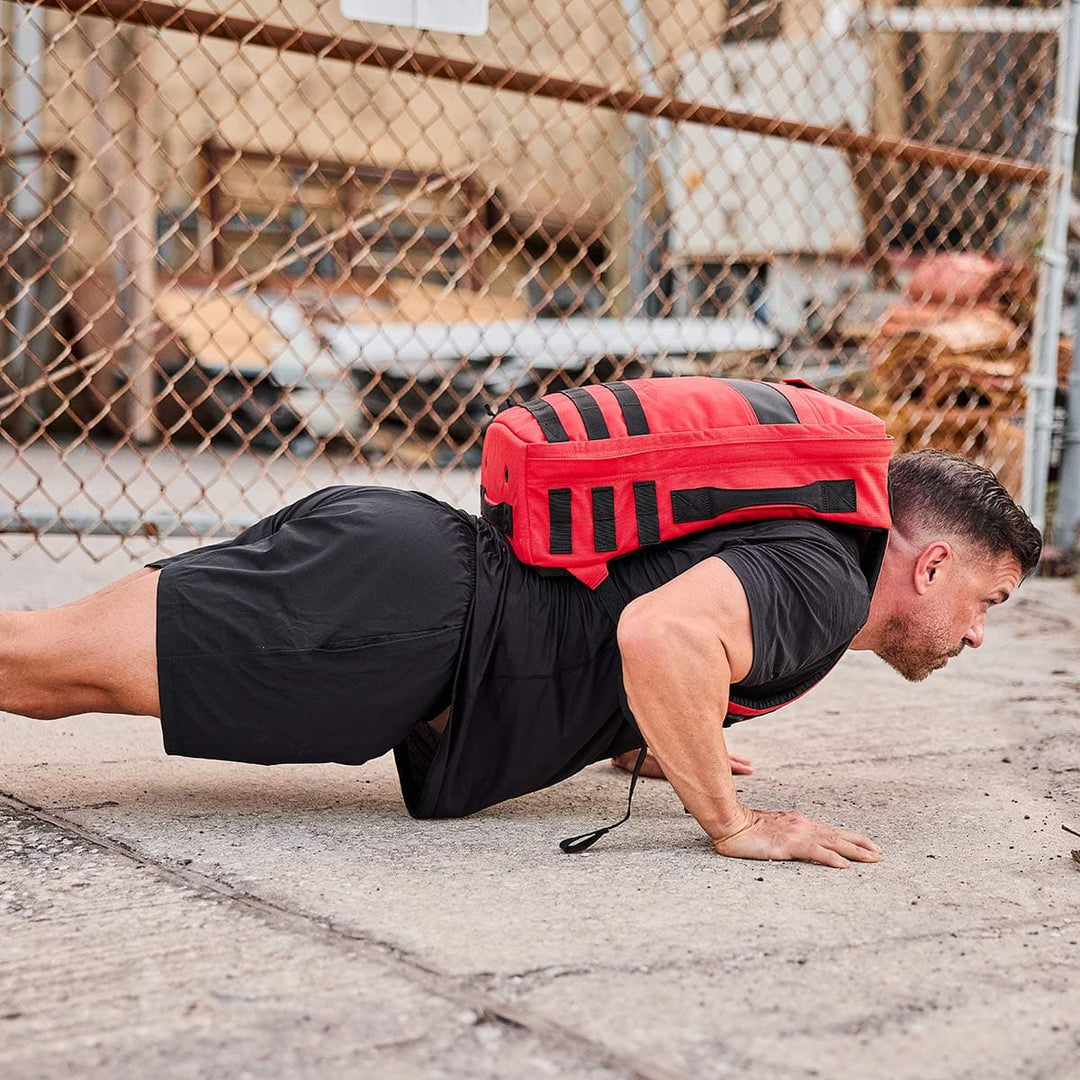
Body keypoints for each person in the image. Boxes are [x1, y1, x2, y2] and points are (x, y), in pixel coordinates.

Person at [0, 449, 1040, 868]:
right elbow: (660, 634)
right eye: (986, 602)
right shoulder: (823, 581)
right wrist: (731, 821)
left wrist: (648, 733)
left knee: (40, 663)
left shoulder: (814, 558)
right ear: (934, 561)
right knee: (36, 670)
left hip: (404, 585)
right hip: (404, 623)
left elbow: (642, 610)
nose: (981, 633)